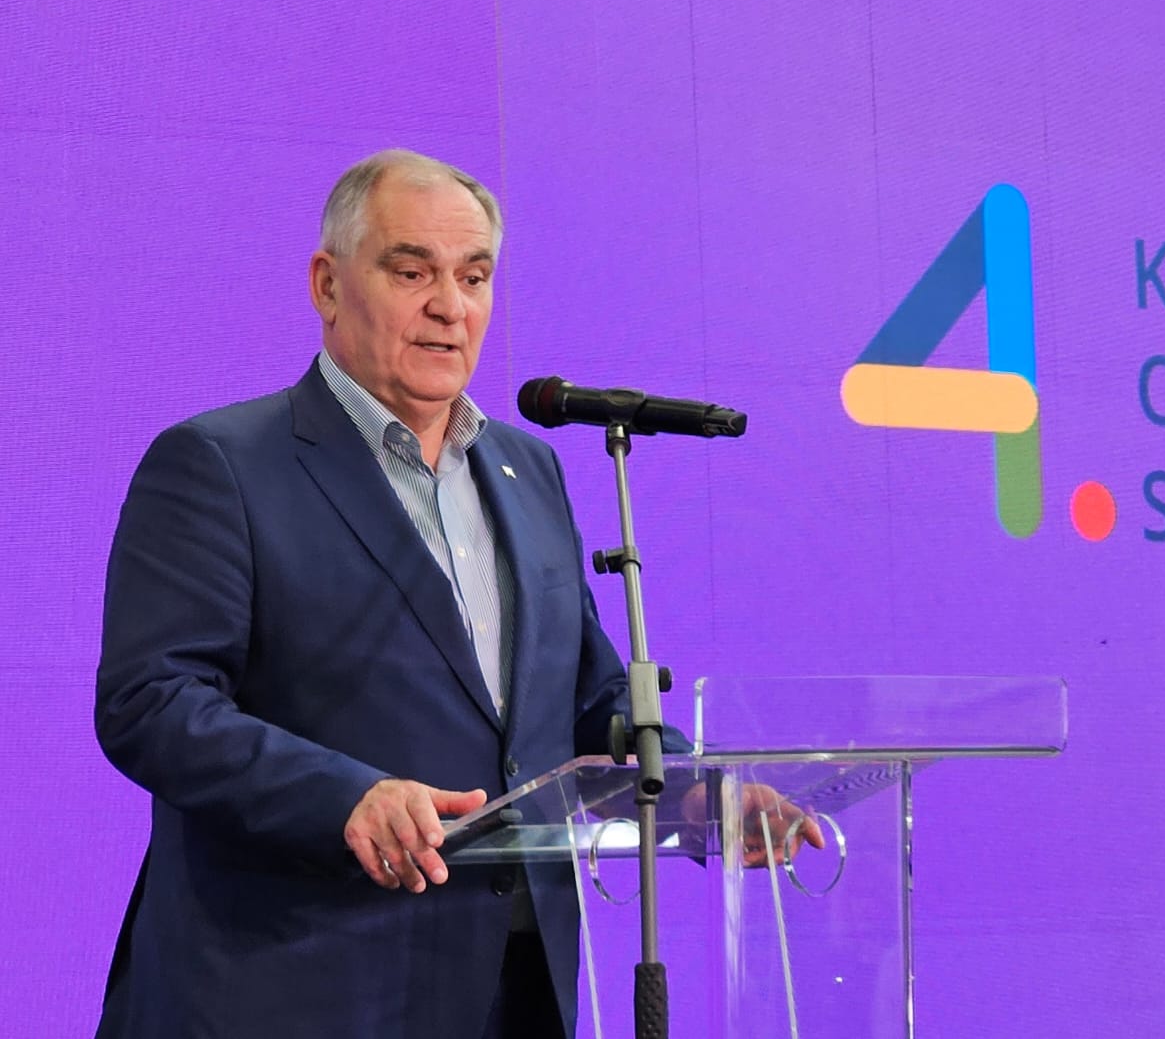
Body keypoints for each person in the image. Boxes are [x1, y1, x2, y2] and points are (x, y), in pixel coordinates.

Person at [95, 150, 809, 1039]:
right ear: (327, 285)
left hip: (515, 988)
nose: (450, 305)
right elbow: (152, 702)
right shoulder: (222, 465)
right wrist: (346, 796)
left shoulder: (527, 467)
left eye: (473, 276)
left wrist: (700, 791)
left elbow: (581, 701)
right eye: (412, 272)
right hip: (297, 987)